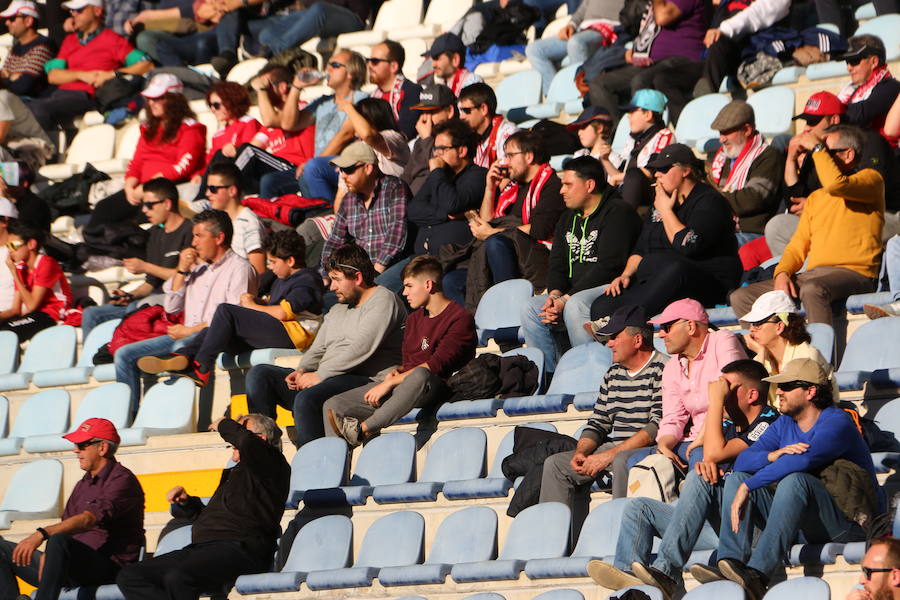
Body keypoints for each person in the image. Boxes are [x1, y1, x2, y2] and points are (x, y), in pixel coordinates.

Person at [587, 360, 778, 599]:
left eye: (728, 387)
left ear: (752, 395)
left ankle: (667, 572)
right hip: (724, 524)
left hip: (755, 527)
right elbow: (710, 456)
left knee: (701, 477)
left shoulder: (770, 421)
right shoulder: (730, 424)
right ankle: (633, 584)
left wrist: (717, 401)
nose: (719, 391)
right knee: (639, 509)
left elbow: (714, 454)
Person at [700, 358, 879, 600]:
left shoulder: (837, 422)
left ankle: (757, 575)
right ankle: (731, 563)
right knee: (737, 477)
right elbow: (743, 461)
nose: (779, 392)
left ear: (811, 391)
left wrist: (749, 485)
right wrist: (772, 455)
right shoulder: (784, 422)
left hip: (846, 521)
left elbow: (803, 460)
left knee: (794, 480)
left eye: (786, 386)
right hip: (805, 522)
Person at [244, 243, 405, 448]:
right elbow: (318, 348)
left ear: (357, 278)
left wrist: (320, 375)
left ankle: (315, 470)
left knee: (306, 399)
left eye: (337, 279)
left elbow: (361, 348)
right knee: (260, 375)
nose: (331, 287)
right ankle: (261, 451)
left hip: (365, 380)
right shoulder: (338, 309)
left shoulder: (383, 300)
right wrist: (303, 369)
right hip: (330, 378)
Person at [116, 414, 290, 600]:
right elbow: (214, 516)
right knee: (131, 577)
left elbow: (246, 441)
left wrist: (224, 423)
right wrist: (187, 504)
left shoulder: (272, 464)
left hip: (241, 549)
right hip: (205, 548)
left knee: (179, 577)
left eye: (241, 430)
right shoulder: (237, 474)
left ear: (261, 439)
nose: (233, 441)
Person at [730, 125, 883, 326]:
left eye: (824, 151)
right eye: (815, 151)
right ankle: (764, 356)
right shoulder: (816, 198)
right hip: (814, 274)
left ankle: (818, 356)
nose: (816, 157)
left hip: (855, 274)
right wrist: (782, 273)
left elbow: (837, 185)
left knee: (812, 288)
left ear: (848, 155)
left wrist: (817, 147)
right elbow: (798, 244)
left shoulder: (870, 179)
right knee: (742, 297)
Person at [135, 229, 324, 387]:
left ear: (290, 261)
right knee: (217, 329)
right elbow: (277, 307)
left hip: (294, 336)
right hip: (281, 331)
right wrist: (260, 303)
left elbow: (284, 312)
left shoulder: (307, 279)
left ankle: (201, 367)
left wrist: (251, 305)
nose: (270, 267)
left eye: (273, 262)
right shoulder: (281, 279)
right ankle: (183, 357)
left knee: (226, 311)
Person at [114, 209, 257, 413]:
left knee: (181, 345)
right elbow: (171, 307)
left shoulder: (239, 268)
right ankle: (126, 418)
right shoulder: (197, 269)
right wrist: (182, 269)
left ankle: (174, 416)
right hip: (184, 333)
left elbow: (233, 318)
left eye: (199, 236)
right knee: (123, 354)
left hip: (211, 338)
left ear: (219, 238)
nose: (194, 242)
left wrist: (189, 332)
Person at [325, 255, 476, 446]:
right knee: (334, 405)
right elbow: (410, 361)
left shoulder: (460, 318)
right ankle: (337, 470)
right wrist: (398, 372)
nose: (404, 293)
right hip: (405, 386)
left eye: (409, 286)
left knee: (420, 375)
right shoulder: (413, 319)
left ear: (428, 285)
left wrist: (391, 383)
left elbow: (436, 366)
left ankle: (361, 430)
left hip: (440, 387)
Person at [540, 305, 667, 526]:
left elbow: (657, 427)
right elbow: (599, 421)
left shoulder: (664, 369)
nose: (609, 343)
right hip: (616, 448)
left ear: (637, 340)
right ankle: (557, 546)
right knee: (556, 465)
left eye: (615, 337)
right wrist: (582, 452)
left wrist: (607, 456)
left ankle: (621, 539)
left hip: (652, 449)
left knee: (621, 461)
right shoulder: (613, 373)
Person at [589, 144, 742, 321]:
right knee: (603, 305)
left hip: (708, 281)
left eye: (664, 169)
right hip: (660, 277)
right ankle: (614, 327)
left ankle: (624, 321)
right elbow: (641, 249)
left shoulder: (709, 201)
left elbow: (688, 246)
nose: (656, 175)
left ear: (685, 171)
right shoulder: (660, 202)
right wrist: (625, 275)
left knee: (675, 268)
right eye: (655, 170)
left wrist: (666, 211)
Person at [520, 155, 641, 375]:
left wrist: (565, 299)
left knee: (576, 305)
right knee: (531, 309)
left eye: (567, 184)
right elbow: (556, 263)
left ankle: (590, 374)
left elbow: (610, 265)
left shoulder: (619, 212)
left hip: (611, 288)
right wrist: (555, 296)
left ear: (589, 185)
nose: (561, 191)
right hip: (572, 293)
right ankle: (550, 378)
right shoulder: (567, 218)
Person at [0, 417, 144, 600]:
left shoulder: (122, 480)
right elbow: (66, 527)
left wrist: (42, 534)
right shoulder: (83, 484)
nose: (75, 450)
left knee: (58, 540)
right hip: (70, 563)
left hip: (107, 568)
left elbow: (89, 519)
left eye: (82, 444)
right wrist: (49, 553)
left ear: (102, 448)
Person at [765, 91, 900, 261]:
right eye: (806, 121)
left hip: (880, 215)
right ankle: (800, 276)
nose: (807, 127)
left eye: (813, 122)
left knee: (840, 226)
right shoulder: (818, 148)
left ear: (834, 119)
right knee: (777, 226)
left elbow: (867, 192)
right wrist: (791, 159)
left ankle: (839, 277)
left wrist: (821, 205)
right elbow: (795, 200)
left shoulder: (869, 141)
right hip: (829, 218)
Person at [458, 128, 566, 310]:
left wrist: (493, 233)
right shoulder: (513, 187)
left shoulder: (552, 185)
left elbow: (539, 230)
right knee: (452, 280)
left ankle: (510, 313)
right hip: (511, 252)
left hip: (539, 255)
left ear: (529, 157)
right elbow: (489, 222)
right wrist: (490, 188)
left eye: (510, 155)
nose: (505, 162)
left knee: (495, 243)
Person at [88, 73, 206, 228]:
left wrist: (147, 187)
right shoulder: (148, 129)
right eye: (150, 99)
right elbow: (137, 162)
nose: (152, 103)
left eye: (158, 98)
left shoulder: (191, 129)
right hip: (140, 190)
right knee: (103, 210)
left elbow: (183, 166)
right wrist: (130, 184)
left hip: (165, 191)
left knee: (136, 222)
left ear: (174, 99)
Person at [80, 178, 193, 338]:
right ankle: (95, 361)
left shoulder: (190, 231)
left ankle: (119, 352)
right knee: (91, 314)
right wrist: (128, 295)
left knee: (137, 309)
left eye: (149, 205)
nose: (145, 210)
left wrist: (145, 267)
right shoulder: (155, 233)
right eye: (143, 205)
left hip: (175, 299)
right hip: (151, 298)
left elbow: (184, 277)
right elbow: (149, 284)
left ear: (167, 204)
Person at [646, 298, 747, 468]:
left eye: (667, 327)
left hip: (726, 435)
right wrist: (664, 444)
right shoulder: (672, 366)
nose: (661, 334)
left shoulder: (722, 340)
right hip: (692, 440)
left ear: (691, 327)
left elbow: (728, 395)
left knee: (699, 454)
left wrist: (701, 438)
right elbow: (673, 417)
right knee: (629, 459)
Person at [24, 0, 152, 133]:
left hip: (87, 96)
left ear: (97, 11)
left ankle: (42, 150)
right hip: (59, 95)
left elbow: (146, 64)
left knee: (36, 109)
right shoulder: (70, 40)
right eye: (72, 11)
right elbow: (53, 76)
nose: (73, 14)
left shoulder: (113, 40)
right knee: (22, 109)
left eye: (79, 10)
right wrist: (82, 75)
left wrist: (112, 74)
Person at [256, 49, 369, 199]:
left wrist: (312, 163)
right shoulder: (323, 102)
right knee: (269, 181)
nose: (327, 69)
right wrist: (296, 86)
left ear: (351, 73)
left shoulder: (361, 99)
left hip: (344, 164)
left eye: (334, 65)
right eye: (328, 64)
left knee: (311, 170)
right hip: (317, 165)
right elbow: (289, 124)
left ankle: (325, 215)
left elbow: (345, 135)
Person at [586, 0, 706, 124]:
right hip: (649, 62)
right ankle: (617, 137)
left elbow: (662, 17)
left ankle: (649, 135)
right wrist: (635, 50)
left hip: (679, 61)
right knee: (599, 84)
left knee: (640, 81)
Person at [316, 142, 410, 282]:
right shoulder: (349, 200)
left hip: (393, 268)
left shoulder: (395, 188)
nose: (343, 176)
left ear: (367, 168)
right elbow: (335, 240)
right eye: (341, 170)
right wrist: (327, 274)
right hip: (359, 275)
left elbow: (396, 235)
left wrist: (374, 273)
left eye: (348, 170)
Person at [296, 97, 410, 205]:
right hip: (362, 204)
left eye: (358, 117)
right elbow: (340, 199)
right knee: (307, 173)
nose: (353, 122)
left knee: (314, 167)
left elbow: (368, 135)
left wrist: (348, 108)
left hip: (389, 202)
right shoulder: (358, 146)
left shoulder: (393, 137)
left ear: (373, 119)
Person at [740, 289, 838, 405]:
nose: (751, 329)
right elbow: (752, 401)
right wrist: (760, 353)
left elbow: (800, 405)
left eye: (758, 324)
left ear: (779, 326)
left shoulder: (806, 356)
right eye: (752, 324)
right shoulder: (760, 357)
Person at [407, 118, 486, 260]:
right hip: (420, 259)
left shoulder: (478, 175)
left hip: (452, 260)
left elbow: (452, 205)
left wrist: (437, 171)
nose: (437, 154)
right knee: (382, 281)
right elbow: (413, 210)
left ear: (461, 151)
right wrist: (444, 216)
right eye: (435, 149)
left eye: (442, 149)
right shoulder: (440, 175)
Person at [706, 100, 782, 244]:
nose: (721, 139)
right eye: (720, 133)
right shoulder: (724, 157)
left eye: (727, 132)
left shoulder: (769, 155)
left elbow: (752, 199)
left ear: (747, 129)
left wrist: (712, 200)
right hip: (727, 229)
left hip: (753, 233)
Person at [596, 89, 674, 209]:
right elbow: (620, 175)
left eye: (632, 111)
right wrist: (605, 160)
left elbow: (651, 171)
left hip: (652, 192)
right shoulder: (633, 139)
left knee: (633, 175)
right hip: (630, 189)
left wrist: (618, 178)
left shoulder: (664, 135)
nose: (628, 116)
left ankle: (626, 219)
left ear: (648, 114)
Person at [692, 0, 789, 97]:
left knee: (718, 43)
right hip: (713, 59)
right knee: (677, 70)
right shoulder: (724, 4)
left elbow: (755, 15)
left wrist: (723, 30)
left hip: (750, 54)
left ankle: (704, 101)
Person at [526, 0, 622, 95]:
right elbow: (581, 11)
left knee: (575, 43)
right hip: (582, 30)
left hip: (607, 29)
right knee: (534, 49)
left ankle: (580, 95)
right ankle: (555, 96)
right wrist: (571, 25)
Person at [0, 219, 72, 342]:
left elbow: (32, 305)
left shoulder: (46, 263)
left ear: (31, 244)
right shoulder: (21, 268)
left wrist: (14, 273)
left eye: (13, 245)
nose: (10, 250)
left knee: (8, 333)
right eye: (7, 246)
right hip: (35, 315)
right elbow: (15, 309)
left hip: (53, 313)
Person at [253, 0, 368, 62]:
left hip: (353, 19)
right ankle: (267, 50)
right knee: (267, 34)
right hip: (317, 17)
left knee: (319, 9)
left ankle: (274, 52)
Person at [202, 163, 266, 276]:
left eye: (213, 189)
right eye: (207, 188)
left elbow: (258, 272)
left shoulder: (249, 223)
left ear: (232, 190)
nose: (207, 194)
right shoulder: (216, 222)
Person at [838, 34, 900, 143]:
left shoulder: (890, 86)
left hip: (882, 153)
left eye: (854, 61)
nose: (849, 68)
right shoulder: (851, 89)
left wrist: (830, 113)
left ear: (874, 62)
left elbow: (863, 112)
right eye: (847, 62)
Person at [402, 83, 458, 196]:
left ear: (450, 111)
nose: (426, 118)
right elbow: (406, 177)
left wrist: (426, 139)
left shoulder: (458, 137)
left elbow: (439, 171)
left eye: (431, 112)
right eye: (423, 112)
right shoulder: (422, 140)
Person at [366, 39, 421, 140]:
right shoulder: (372, 95)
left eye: (375, 61)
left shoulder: (411, 92)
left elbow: (405, 133)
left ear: (393, 66)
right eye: (367, 60)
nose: (369, 65)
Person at [0, 0, 54, 97]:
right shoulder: (16, 48)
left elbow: (23, 86)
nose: (7, 23)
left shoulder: (43, 46)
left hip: (31, 102)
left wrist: (8, 77)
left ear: (28, 21)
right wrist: (12, 77)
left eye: (12, 18)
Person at [458, 82, 519, 169]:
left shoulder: (508, 133)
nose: (461, 116)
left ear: (483, 109)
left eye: (466, 110)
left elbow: (507, 176)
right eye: (461, 111)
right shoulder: (468, 136)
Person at [418, 32, 483, 96]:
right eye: (433, 59)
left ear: (455, 59)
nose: (433, 65)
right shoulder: (442, 85)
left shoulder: (472, 83)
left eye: (437, 58)